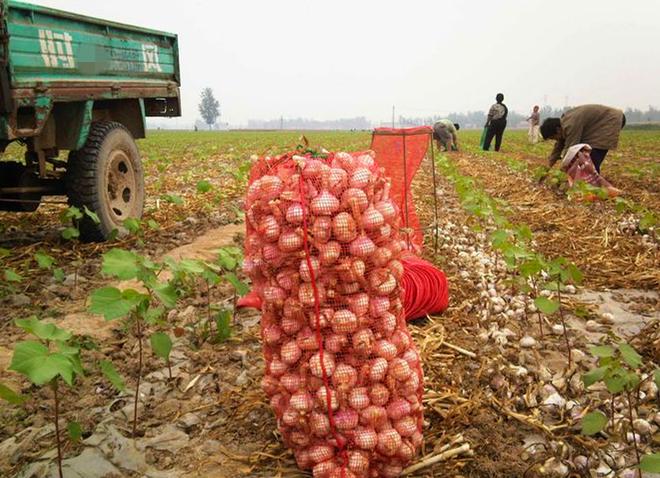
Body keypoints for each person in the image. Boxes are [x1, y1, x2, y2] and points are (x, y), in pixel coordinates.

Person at [539, 104, 626, 174]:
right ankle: (588, 178)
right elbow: (558, 147)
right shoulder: (563, 125)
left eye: (553, 137)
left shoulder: (570, 125)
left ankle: (593, 183)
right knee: (585, 154)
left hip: (611, 120)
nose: (555, 140)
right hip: (600, 122)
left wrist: (561, 174)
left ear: (557, 130)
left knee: (593, 153)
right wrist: (546, 168)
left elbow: (570, 151)